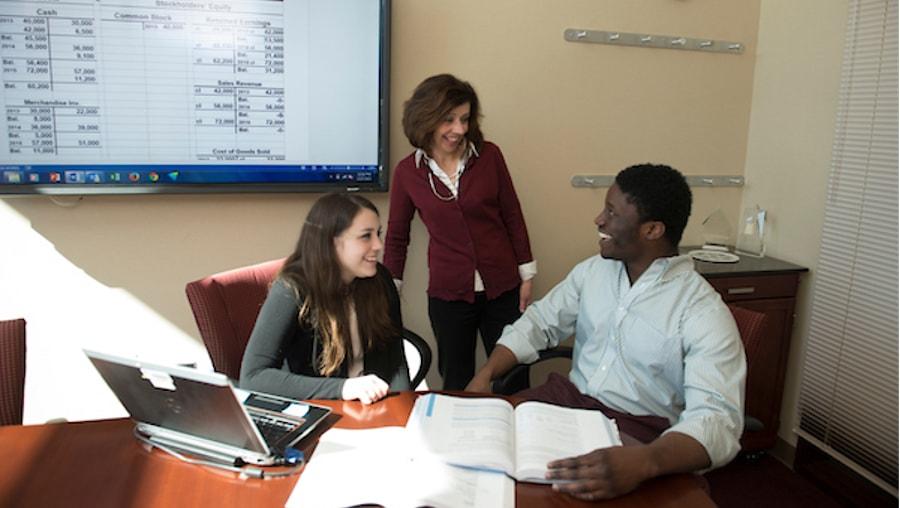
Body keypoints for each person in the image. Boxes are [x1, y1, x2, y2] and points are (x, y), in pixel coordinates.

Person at [466, 164, 746, 500]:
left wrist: (646, 461)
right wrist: (485, 374)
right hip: (568, 406)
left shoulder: (701, 311)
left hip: (641, 433)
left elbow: (718, 422)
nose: (599, 220)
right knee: (480, 455)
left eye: (612, 213)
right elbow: (539, 322)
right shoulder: (593, 272)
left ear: (653, 230)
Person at [383, 74, 536, 390]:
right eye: (449, 120)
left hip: (503, 287)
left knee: (513, 376)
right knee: (456, 378)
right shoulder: (408, 172)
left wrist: (527, 273)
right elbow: (398, 237)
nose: (460, 129)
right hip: (449, 294)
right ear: (426, 119)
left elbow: (512, 214)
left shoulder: (489, 156)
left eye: (465, 119)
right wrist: (389, 292)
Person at [240, 193, 410, 404]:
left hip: (370, 409)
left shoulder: (380, 279)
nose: (378, 245)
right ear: (331, 242)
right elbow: (253, 377)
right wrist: (343, 388)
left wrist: (405, 408)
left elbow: (395, 360)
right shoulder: (291, 289)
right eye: (366, 236)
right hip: (319, 410)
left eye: (378, 234)